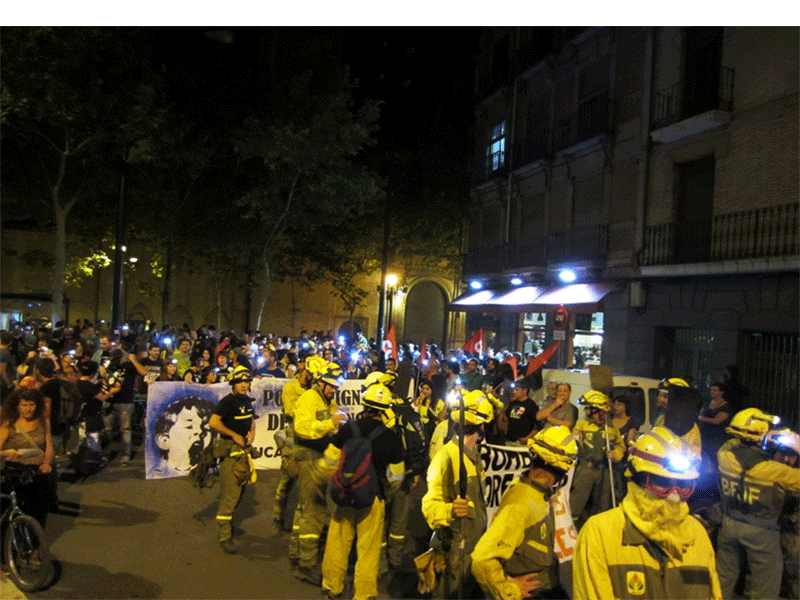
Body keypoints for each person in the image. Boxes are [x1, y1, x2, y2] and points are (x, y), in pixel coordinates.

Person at [573, 426, 722, 600]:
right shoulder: (600, 533)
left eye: (683, 486)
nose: (675, 497)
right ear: (637, 480)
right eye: (662, 482)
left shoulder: (696, 534)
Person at [472, 426, 579, 600]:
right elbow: (482, 559)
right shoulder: (521, 503)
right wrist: (508, 589)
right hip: (533, 593)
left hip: (548, 586)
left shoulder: (536, 492)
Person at [319, 384, 405, 600]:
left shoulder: (348, 429)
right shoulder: (391, 437)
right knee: (368, 549)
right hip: (372, 499)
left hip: (345, 495)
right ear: (385, 409)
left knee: (338, 543)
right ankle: (364, 594)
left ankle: (332, 587)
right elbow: (396, 476)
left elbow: (329, 461)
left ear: (364, 405)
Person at [715, 408, 800, 600]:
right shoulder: (773, 470)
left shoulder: (725, 457)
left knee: (723, 580)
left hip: (728, 526)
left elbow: (730, 443)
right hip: (762, 534)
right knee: (765, 586)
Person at [421, 390, 494, 599]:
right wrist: (450, 510)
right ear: (481, 426)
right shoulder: (445, 458)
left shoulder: (473, 457)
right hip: (455, 550)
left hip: (474, 547)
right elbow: (429, 506)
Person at [291, 361, 347, 584]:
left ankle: (296, 555)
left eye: (335, 387)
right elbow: (302, 428)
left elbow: (330, 419)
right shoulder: (309, 398)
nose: (333, 390)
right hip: (308, 458)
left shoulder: (325, 400)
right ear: (320, 381)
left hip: (317, 457)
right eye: (330, 385)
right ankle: (306, 564)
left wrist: (336, 423)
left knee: (304, 510)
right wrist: (329, 424)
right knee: (314, 510)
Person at [208, 365, 256, 554]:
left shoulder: (246, 401)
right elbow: (213, 422)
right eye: (240, 382)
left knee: (241, 491)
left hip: (243, 452)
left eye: (246, 382)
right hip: (230, 452)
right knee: (231, 493)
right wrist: (233, 435)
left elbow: (251, 420)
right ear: (233, 384)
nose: (244, 385)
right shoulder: (228, 402)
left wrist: (251, 433)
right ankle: (224, 535)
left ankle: (229, 526)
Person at [0, 388, 56, 526]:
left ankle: (35, 540)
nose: (28, 409)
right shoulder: (9, 423)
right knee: (14, 505)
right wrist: (6, 453)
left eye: (31, 405)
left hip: (38, 470)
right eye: (24, 405)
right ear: (17, 406)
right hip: (15, 470)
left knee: (39, 508)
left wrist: (47, 463)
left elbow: (49, 445)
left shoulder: (43, 421)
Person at [570, 390, 624, 530]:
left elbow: (620, 447)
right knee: (576, 502)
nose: (587, 411)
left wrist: (615, 454)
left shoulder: (611, 428)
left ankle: (598, 531)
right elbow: (573, 446)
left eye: (589, 408)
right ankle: (570, 530)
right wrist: (575, 439)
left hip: (605, 470)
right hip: (586, 469)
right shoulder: (582, 425)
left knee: (603, 504)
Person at [762, 428, 800, 600]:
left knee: (793, 568)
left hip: (791, 530)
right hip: (770, 528)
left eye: (790, 455)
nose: (785, 459)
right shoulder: (767, 470)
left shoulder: (794, 476)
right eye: (782, 453)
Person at [151, 396, 217, 477]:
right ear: (164, 440)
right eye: (189, 426)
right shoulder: (157, 473)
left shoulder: (212, 472)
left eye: (206, 428)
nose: (200, 432)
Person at [103, 349, 148, 466]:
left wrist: (133, 360)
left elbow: (144, 372)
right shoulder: (110, 367)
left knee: (125, 429)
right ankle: (105, 454)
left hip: (126, 401)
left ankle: (126, 455)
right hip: (110, 400)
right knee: (107, 429)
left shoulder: (129, 366)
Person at [654, 377, 702, 457]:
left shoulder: (691, 427)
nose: (660, 399)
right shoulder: (662, 418)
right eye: (660, 395)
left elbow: (694, 457)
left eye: (665, 397)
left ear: (678, 400)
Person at [696, 382, 731, 468]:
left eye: (715, 390)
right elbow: (700, 414)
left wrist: (702, 418)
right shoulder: (707, 403)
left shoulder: (725, 406)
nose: (712, 392)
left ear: (721, 392)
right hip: (703, 435)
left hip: (716, 438)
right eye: (711, 390)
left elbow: (717, 421)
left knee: (713, 459)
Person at [504, 376, 539, 446]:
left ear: (525, 390)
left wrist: (527, 438)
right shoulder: (513, 403)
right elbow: (507, 418)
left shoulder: (531, 406)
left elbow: (537, 426)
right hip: (509, 440)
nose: (514, 392)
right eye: (514, 390)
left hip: (521, 442)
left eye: (517, 389)